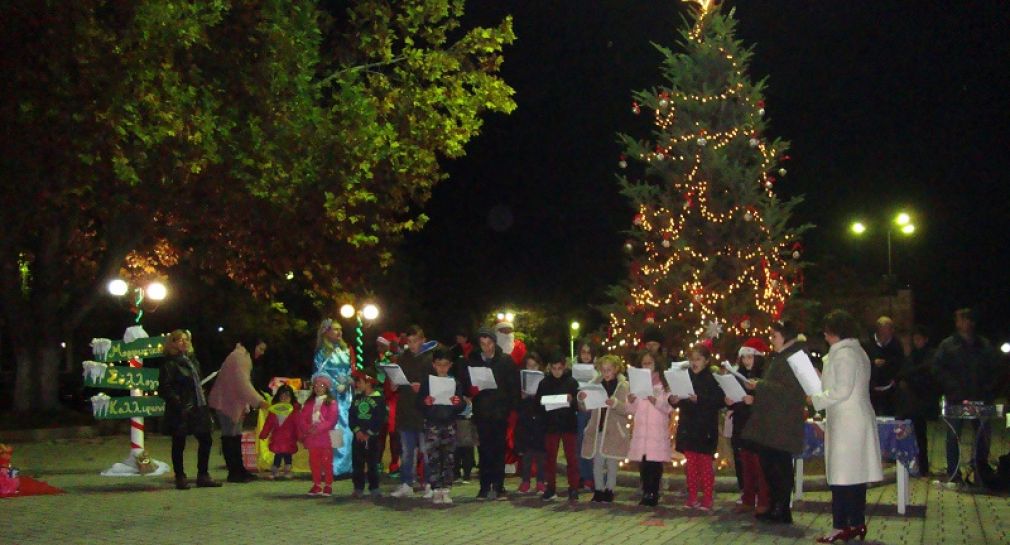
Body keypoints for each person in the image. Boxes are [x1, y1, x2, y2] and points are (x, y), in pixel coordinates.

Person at [811, 310, 883, 543]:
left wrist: (816, 399)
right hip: (852, 419)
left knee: (842, 476)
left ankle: (841, 525)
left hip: (847, 422)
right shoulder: (857, 352)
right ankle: (856, 522)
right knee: (855, 474)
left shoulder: (844, 355)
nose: (825, 335)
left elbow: (842, 390)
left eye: (828, 331)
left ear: (835, 332)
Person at [741, 320, 807, 524]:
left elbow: (790, 391)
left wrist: (760, 385)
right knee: (770, 464)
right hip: (773, 422)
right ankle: (775, 505)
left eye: (774, 336)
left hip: (783, 422)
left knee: (779, 465)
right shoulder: (782, 357)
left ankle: (782, 507)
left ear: (786, 336)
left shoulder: (794, 358)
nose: (771, 340)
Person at [933, 308, 1001, 484]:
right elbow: (938, 369)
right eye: (962, 320)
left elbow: (995, 369)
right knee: (953, 436)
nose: (965, 323)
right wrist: (953, 388)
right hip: (956, 398)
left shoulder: (984, 345)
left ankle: (980, 472)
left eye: (969, 320)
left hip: (981, 398)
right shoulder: (947, 345)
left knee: (982, 437)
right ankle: (954, 474)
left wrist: (988, 389)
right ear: (957, 323)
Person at [159, 330, 222, 490]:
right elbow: (165, 387)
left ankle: (203, 475)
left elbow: (196, 381)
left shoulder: (192, 360)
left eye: (186, 340)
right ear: (172, 343)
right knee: (179, 442)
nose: (183, 343)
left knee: (206, 439)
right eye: (179, 340)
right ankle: (180, 476)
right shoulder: (170, 363)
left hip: (197, 405)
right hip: (181, 408)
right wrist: (178, 403)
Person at [465, 327, 519, 500]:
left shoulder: (505, 361)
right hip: (482, 412)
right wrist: (472, 390)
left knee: (498, 450)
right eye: (482, 344)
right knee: (484, 450)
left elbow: (514, 387)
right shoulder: (473, 360)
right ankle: (484, 486)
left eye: (489, 344)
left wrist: (507, 406)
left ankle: (499, 485)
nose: (486, 348)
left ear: (494, 343)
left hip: (499, 412)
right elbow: (466, 383)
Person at [670, 344, 723, 511]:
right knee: (691, 465)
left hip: (705, 428)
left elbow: (718, 401)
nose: (694, 363)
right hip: (688, 427)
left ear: (706, 361)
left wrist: (699, 399)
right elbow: (679, 398)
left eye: (698, 359)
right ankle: (692, 496)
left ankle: (707, 498)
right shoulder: (686, 377)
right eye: (692, 359)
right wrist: (673, 400)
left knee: (705, 466)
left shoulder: (712, 379)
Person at [208, 341, 269, 483]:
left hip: (231, 401)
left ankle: (239, 469)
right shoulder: (240, 357)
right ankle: (234, 472)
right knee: (230, 436)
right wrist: (259, 401)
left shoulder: (241, 356)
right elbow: (243, 384)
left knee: (235, 436)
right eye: (260, 348)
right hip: (226, 402)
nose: (261, 352)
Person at [390, 325, 436, 499]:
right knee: (407, 451)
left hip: (424, 412)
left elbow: (438, 382)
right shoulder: (402, 358)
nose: (412, 344)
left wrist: (422, 387)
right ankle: (406, 483)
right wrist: (394, 383)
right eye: (409, 341)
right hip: (406, 410)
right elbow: (395, 384)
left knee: (426, 451)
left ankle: (429, 484)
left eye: (415, 341)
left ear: (422, 340)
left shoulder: (430, 359)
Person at [726, 337, 770, 514]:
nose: (746, 361)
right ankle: (748, 497)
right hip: (741, 423)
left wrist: (755, 399)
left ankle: (763, 499)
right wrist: (730, 400)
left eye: (750, 358)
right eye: (743, 358)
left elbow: (770, 400)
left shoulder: (765, 376)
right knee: (744, 462)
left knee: (759, 464)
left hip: (758, 425)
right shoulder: (739, 375)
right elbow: (735, 400)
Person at [417, 347, 466, 504]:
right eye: (439, 364)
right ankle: (436, 488)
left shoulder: (455, 382)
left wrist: (458, 403)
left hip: (449, 424)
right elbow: (418, 403)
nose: (442, 368)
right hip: (432, 424)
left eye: (445, 364)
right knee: (434, 457)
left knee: (449, 457)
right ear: (434, 365)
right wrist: (426, 402)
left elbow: (461, 404)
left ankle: (446, 488)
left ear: (450, 365)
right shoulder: (427, 382)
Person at [578, 354, 629, 503]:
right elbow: (586, 407)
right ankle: (598, 489)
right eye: (603, 370)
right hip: (598, 429)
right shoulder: (595, 384)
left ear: (616, 369)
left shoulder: (623, 386)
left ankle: (610, 489)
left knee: (612, 463)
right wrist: (582, 399)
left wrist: (614, 403)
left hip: (614, 431)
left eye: (609, 370)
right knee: (597, 463)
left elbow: (626, 409)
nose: (606, 373)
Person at [626, 351, 673, 507]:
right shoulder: (638, 383)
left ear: (656, 365)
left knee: (655, 463)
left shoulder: (663, 384)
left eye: (649, 363)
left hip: (656, 430)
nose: (646, 366)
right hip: (642, 430)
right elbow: (632, 409)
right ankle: (646, 491)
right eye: (644, 363)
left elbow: (668, 407)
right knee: (644, 464)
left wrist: (656, 401)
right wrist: (631, 400)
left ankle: (654, 492)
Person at [536, 352, 581, 502]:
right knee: (550, 459)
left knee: (571, 458)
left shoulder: (571, 382)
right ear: (549, 368)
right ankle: (551, 487)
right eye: (554, 368)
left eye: (559, 368)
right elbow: (538, 405)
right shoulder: (544, 383)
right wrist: (544, 404)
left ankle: (573, 488)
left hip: (568, 425)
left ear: (564, 367)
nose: (556, 372)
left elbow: (578, 405)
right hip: (551, 426)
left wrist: (572, 399)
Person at [895, 325, 939, 475]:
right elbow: (903, 372)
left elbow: (927, 374)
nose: (916, 342)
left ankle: (923, 467)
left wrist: (911, 378)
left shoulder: (930, 355)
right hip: (909, 403)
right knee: (907, 434)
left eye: (918, 339)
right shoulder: (912, 356)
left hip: (922, 400)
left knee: (921, 435)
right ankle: (908, 465)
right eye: (914, 339)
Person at [312, 319, 353, 477]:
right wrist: (335, 385)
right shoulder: (322, 353)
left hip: (346, 396)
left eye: (340, 329)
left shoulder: (345, 350)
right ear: (326, 332)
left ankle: (346, 465)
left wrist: (348, 380)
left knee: (347, 430)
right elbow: (319, 374)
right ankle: (334, 466)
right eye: (335, 329)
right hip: (331, 397)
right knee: (334, 430)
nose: (339, 332)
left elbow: (350, 369)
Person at [493, 320, 526, 475]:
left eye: (509, 331)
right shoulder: (492, 353)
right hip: (497, 399)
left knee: (513, 431)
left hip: (515, 397)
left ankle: (512, 461)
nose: (506, 334)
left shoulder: (520, 349)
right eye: (502, 331)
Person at [299, 374, 339, 496]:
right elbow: (302, 418)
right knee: (314, 462)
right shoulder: (309, 403)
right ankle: (317, 484)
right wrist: (307, 428)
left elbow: (332, 420)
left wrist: (318, 428)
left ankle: (328, 485)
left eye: (321, 385)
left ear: (326, 387)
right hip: (312, 438)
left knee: (327, 462)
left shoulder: (331, 402)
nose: (318, 388)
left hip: (325, 438)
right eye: (316, 385)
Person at [349, 369, 387, 499]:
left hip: (372, 438)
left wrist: (369, 433)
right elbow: (352, 416)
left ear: (368, 382)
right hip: (358, 437)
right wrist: (357, 431)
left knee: (372, 464)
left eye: (359, 382)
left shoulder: (379, 399)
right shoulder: (356, 398)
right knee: (357, 464)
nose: (357, 385)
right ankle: (358, 487)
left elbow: (380, 418)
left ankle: (374, 487)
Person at [516, 352, 547, 494]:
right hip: (526, 419)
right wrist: (521, 396)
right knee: (527, 452)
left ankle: (541, 481)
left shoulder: (545, 380)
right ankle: (525, 481)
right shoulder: (520, 380)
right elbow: (515, 403)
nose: (532, 368)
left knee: (541, 452)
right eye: (529, 366)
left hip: (540, 419)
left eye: (535, 366)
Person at [864, 316, 905, 417]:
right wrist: (873, 363)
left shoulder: (896, 345)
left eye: (887, 332)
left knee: (890, 416)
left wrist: (895, 379)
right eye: (882, 332)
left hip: (890, 389)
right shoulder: (867, 344)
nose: (885, 335)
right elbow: (862, 362)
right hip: (871, 388)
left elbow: (900, 363)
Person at [258, 384, 300, 480]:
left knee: (287, 456)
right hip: (277, 438)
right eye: (282, 396)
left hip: (289, 439)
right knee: (278, 455)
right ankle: (275, 471)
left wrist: (301, 436)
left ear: (291, 398)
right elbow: (268, 424)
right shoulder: (273, 411)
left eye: (287, 396)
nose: (284, 398)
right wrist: (264, 433)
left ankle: (287, 471)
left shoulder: (294, 411)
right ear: (278, 397)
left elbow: (298, 425)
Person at [375, 331, 402, 476]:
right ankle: (378, 463)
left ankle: (394, 464)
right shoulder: (376, 360)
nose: (378, 348)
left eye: (381, 345)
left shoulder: (395, 359)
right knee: (380, 434)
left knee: (394, 435)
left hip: (393, 401)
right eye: (377, 346)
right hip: (380, 400)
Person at [573, 340, 598, 491]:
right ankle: (584, 476)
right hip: (581, 410)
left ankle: (593, 477)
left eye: (589, 352)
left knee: (592, 444)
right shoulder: (575, 370)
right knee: (581, 443)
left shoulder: (598, 371)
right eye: (583, 352)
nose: (586, 355)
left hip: (594, 409)